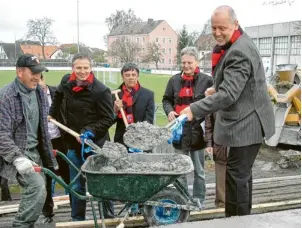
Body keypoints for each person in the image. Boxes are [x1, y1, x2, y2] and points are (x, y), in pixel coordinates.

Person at [180, 5, 275, 217]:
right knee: (241, 175)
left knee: (236, 177)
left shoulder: (239, 51)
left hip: (249, 122)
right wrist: (218, 87)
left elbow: (229, 95)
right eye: (214, 28)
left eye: (222, 27)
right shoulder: (239, 42)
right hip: (250, 117)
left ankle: (236, 221)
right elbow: (241, 82)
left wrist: (194, 109)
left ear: (236, 24)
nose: (217, 33)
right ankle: (242, 217)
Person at [49, 53, 114, 221]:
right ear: (72, 68)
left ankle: (108, 218)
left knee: (102, 184)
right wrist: (52, 114)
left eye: (86, 68)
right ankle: (77, 219)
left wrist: (90, 130)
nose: (82, 71)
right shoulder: (66, 82)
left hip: (96, 146)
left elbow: (109, 117)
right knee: (76, 184)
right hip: (73, 144)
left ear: (91, 68)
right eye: (79, 68)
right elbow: (57, 96)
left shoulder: (101, 90)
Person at [0, 54, 58, 227]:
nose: (37, 77)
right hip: (16, 154)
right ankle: (21, 225)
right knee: (37, 187)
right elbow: (1, 133)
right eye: (33, 73)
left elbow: (40, 127)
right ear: (19, 72)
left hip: (36, 153)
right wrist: (17, 158)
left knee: (39, 193)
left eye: (39, 73)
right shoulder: (7, 97)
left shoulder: (39, 91)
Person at [162, 46, 213, 206]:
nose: (186, 65)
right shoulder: (174, 80)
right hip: (179, 133)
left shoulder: (207, 81)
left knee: (199, 171)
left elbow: (212, 104)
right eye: (183, 62)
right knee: (180, 170)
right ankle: (183, 199)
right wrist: (169, 111)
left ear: (196, 62)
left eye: (189, 62)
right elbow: (166, 99)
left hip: (198, 131)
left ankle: (199, 200)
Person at [38, 73, 70, 223]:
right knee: (46, 179)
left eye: (39, 80)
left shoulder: (57, 93)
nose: (37, 84)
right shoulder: (31, 97)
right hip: (42, 143)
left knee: (68, 175)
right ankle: (48, 214)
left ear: (43, 80)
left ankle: (76, 211)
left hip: (60, 140)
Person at [113, 63, 155, 147]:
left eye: (133, 75)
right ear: (122, 77)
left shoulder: (148, 95)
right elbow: (109, 121)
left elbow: (149, 121)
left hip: (141, 141)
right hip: (121, 142)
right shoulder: (116, 95)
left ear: (137, 76)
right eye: (127, 75)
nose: (131, 77)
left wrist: (136, 134)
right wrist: (115, 110)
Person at [205, 113, 227, 208]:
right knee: (221, 176)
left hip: (238, 145)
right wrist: (209, 144)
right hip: (220, 145)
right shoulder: (214, 99)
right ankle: (221, 205)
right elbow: (208, 125)